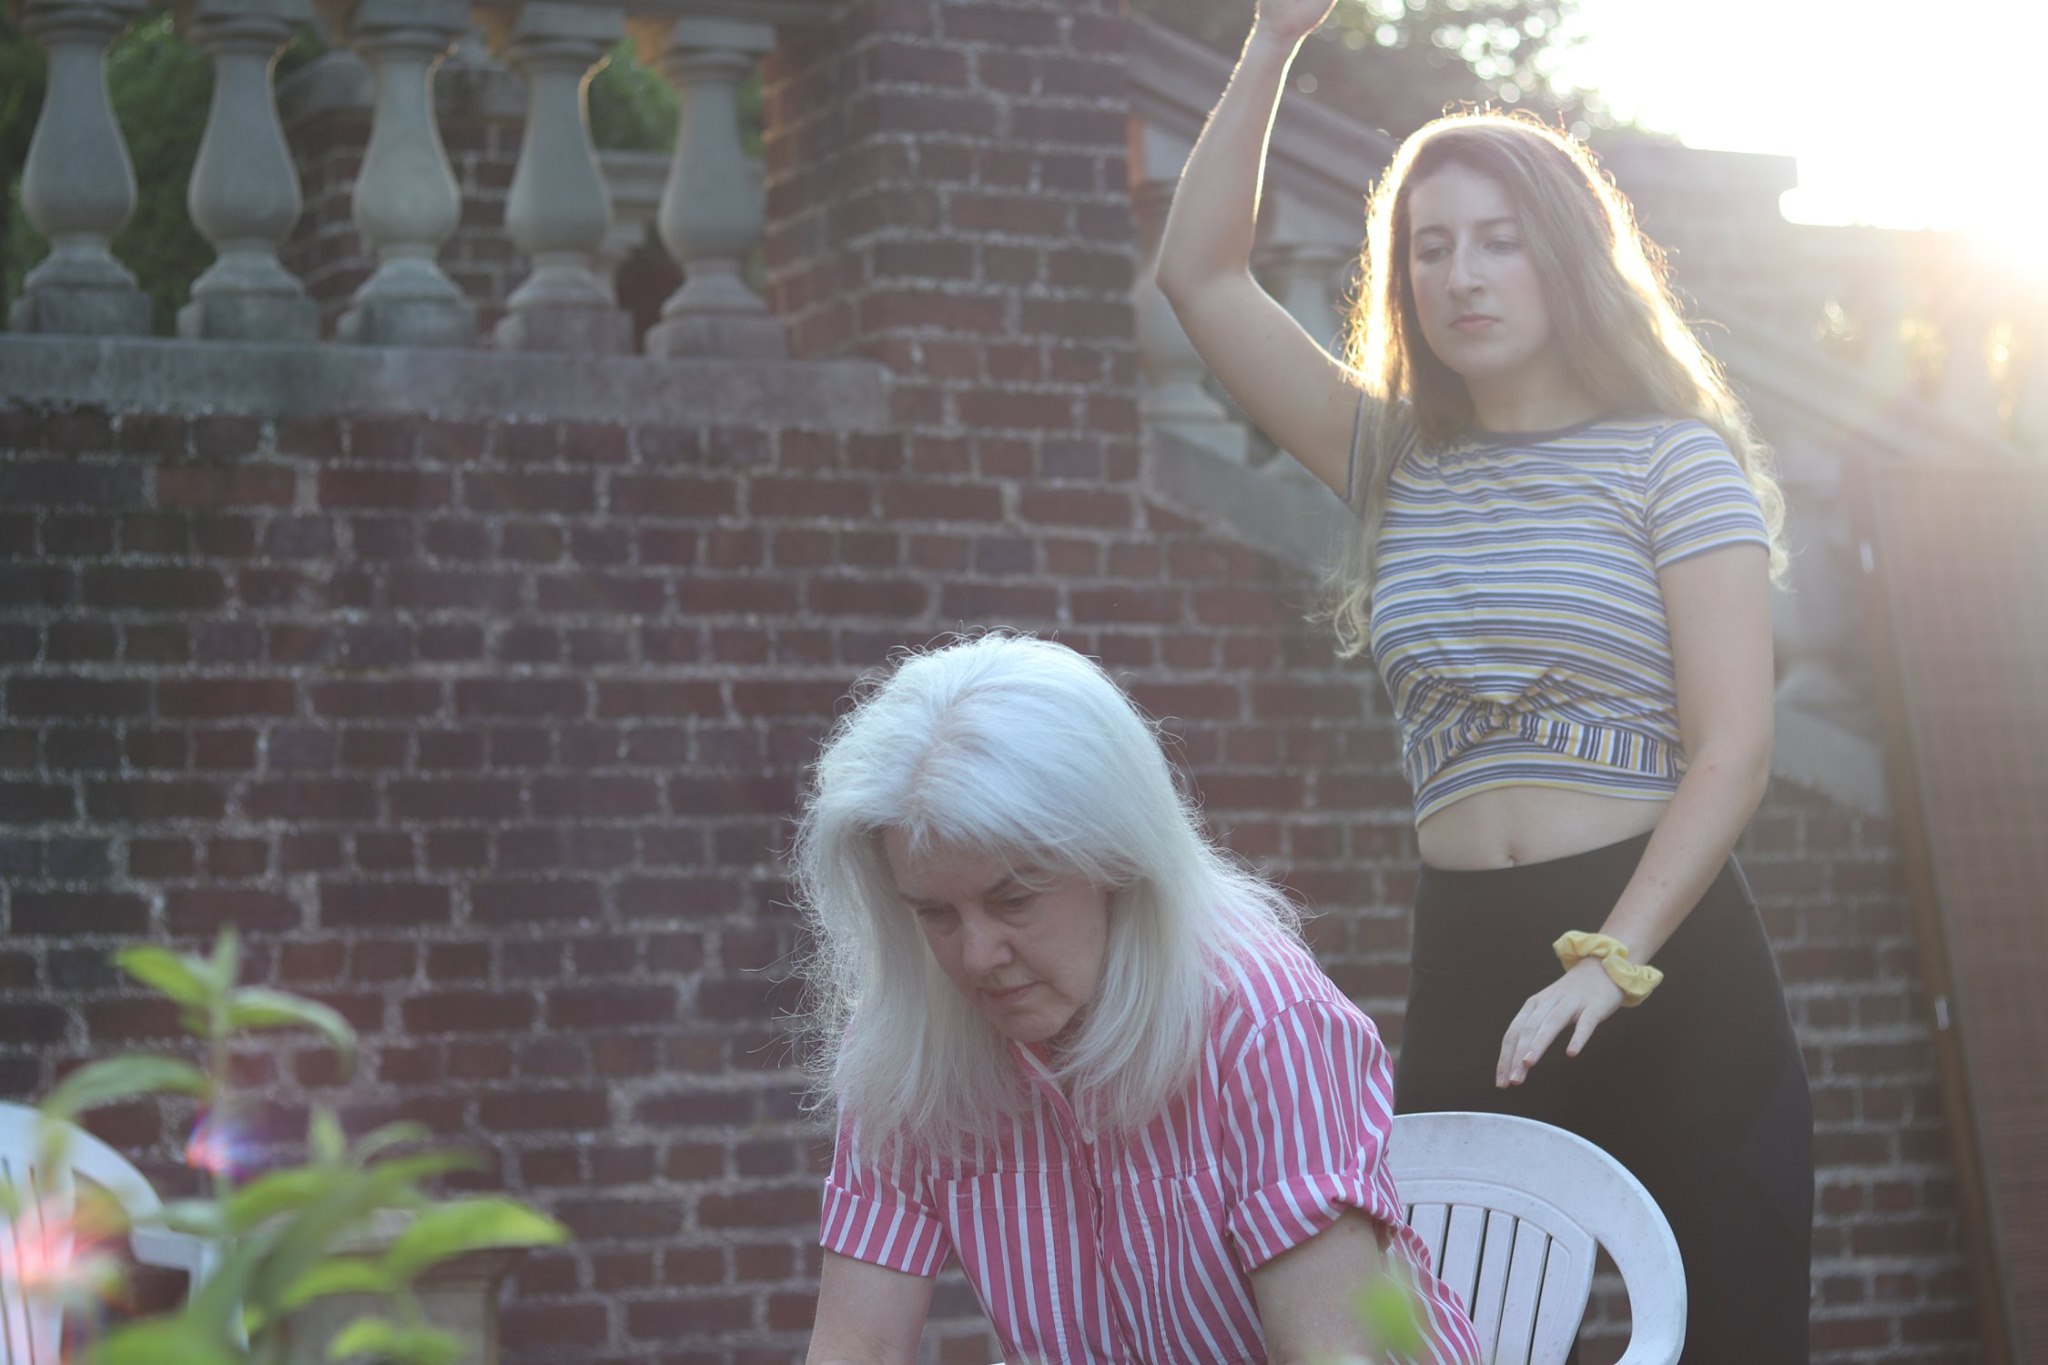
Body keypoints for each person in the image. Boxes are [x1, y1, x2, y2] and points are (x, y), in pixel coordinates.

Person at [1150, 2, 1815, 1361]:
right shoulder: (1395, 462)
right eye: (1430, 248)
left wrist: (1610, 963)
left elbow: (1733, 749)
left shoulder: (1673, 462)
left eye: (1499, 242)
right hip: (1468, 961)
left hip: (1668, 963)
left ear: (1567, 259)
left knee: (1735, 1344)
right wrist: (1273, 42)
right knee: (1445, 1343)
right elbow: (1201, 279)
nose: (1462, 275)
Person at [793, 633, 1483, 1364]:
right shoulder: (909, 1041)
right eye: (934, 912)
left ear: (1116, 859)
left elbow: (1329, 1351)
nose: (976, 955)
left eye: (1014, 899)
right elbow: (856, 1345)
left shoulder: (1268, 1022)